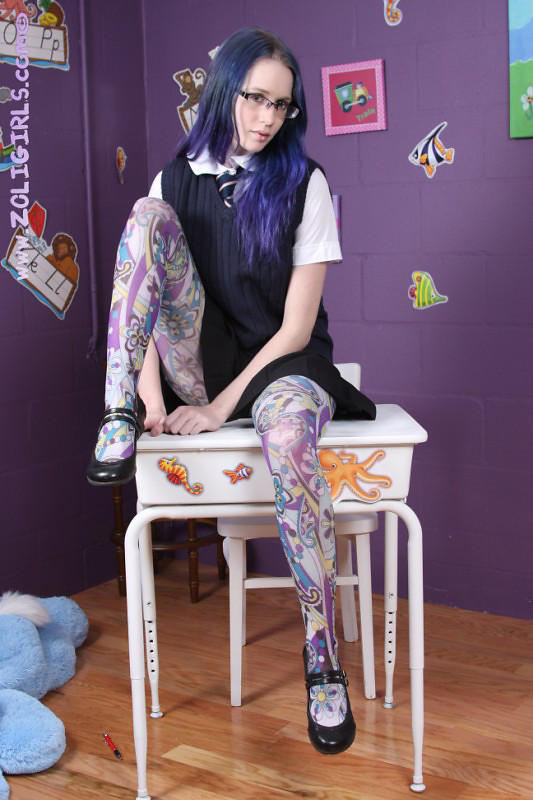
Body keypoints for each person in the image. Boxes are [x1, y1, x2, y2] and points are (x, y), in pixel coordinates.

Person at [87, 27, 376, 755]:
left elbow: (296, 328)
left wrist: (219, 409)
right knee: (144, 218)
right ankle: (116, 407)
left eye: (282, 105)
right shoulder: (175, 179)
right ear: (224, 93)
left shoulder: (304, 183)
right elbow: (148, 298)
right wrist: (153, 400)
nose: (267, 118)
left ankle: (322, 661)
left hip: (284, 366)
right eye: (255, 98)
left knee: (287, 439)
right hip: (200, 361)